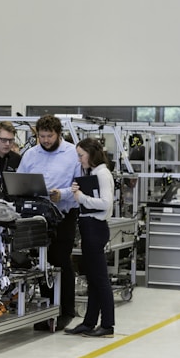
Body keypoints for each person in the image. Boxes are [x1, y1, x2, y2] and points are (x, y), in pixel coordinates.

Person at [17, 115, 79, 330]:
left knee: (60, 260)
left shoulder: (72, 153)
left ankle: (66, 310)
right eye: (41, 136)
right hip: (37, 217)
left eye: (49, 136)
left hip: (64, 214)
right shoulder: (31, 154)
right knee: (42, 264)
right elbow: (19, 181)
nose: (45, 140)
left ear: (58, 133)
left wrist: (61, 194)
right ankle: (47, 309)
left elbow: (79, 185)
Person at [65, 137, 115, 337]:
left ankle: (108, 325)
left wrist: (81, 198)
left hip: (96, 227)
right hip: (88, 226)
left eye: (81, 155)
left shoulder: (102, 173)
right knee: (93, 279)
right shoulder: (92, 173)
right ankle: (89, 322)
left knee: (100, 279)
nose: (79, 160)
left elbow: (105, 203)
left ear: (91, 154)